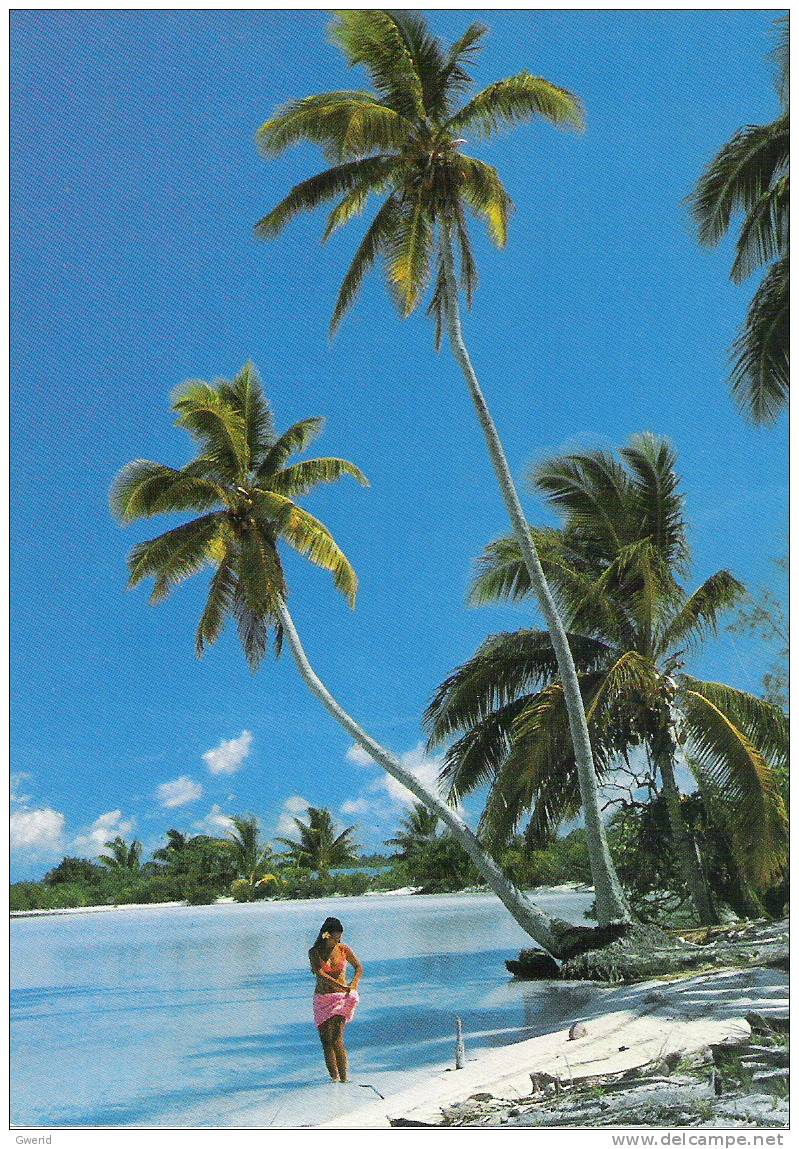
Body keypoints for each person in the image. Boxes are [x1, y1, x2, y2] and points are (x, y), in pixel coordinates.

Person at [308, 916, 363, 1082]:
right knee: (326, 1041)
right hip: (322, 998)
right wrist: (342, 987)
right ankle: (334, 1080)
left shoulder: (344, 949)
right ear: (326, 935)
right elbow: (320, 973)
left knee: (337, 1038)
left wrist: (353, 985)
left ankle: (345, 1079)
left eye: (340, 936)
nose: (338, 940)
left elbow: (359, 967)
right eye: (335, 937)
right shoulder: (314, 952)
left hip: (341, 998)